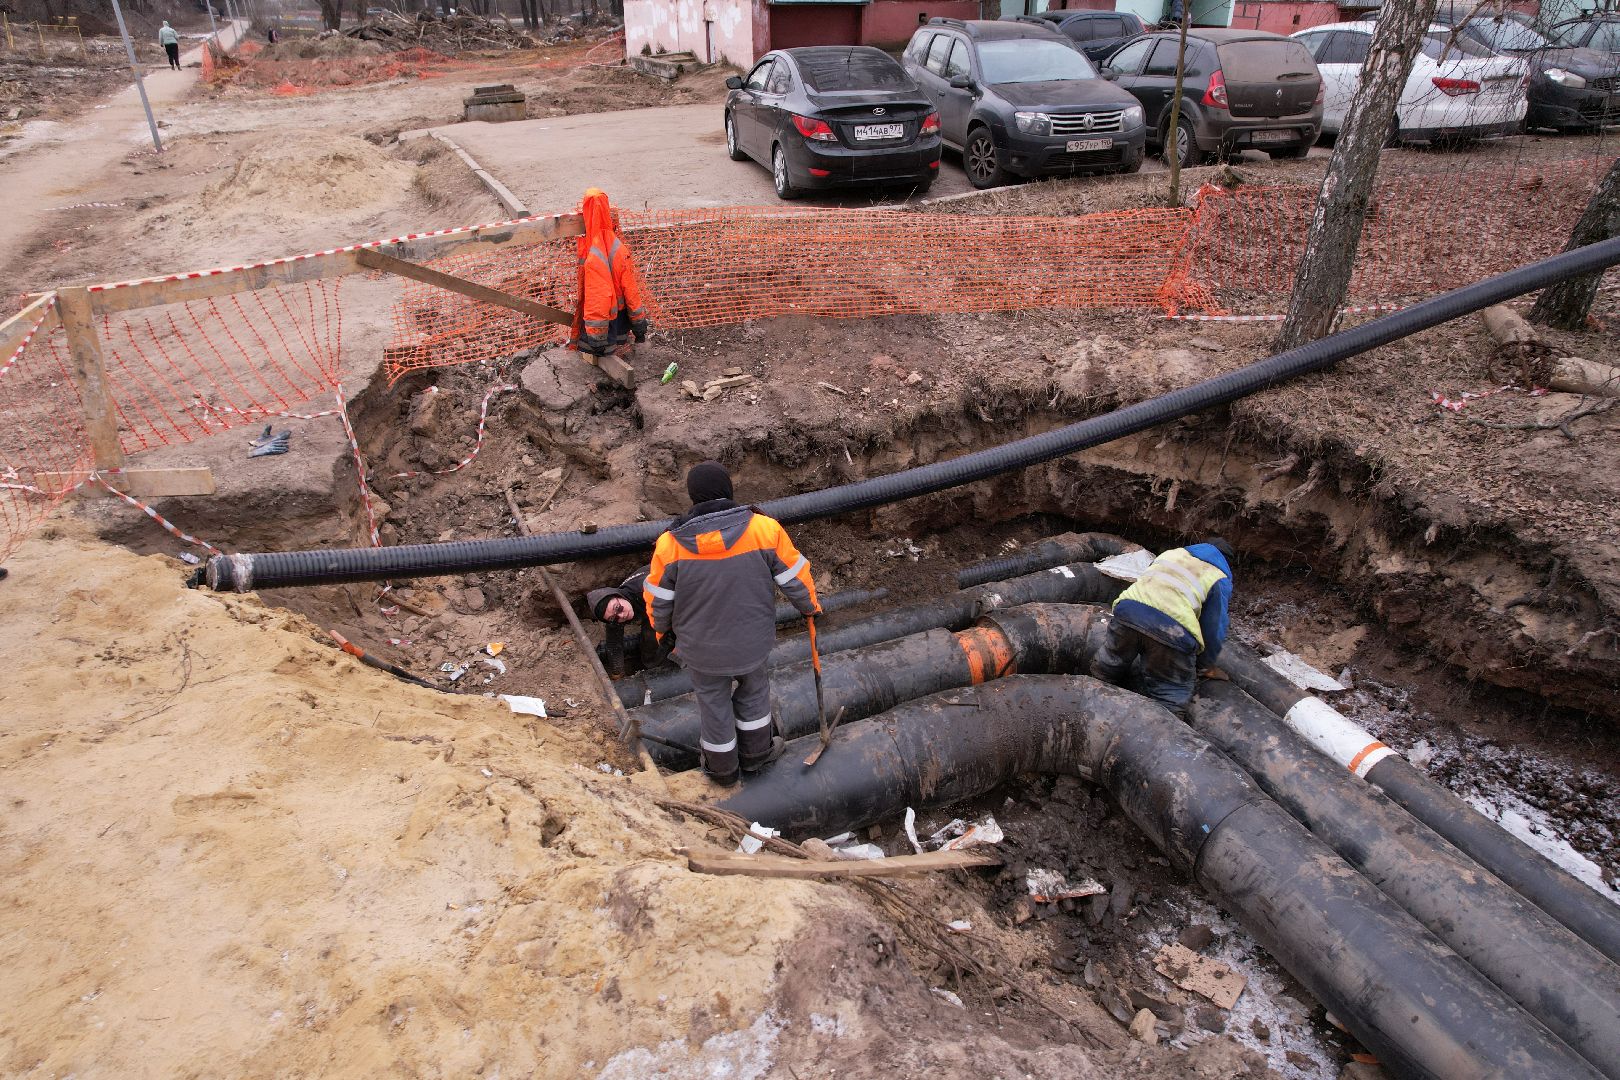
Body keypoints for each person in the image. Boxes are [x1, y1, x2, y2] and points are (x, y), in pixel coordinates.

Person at [643, 462, 819, 786]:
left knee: (713, 703)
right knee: (754, 693)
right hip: (752, 642)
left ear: (692, 497)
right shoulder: (763, 529)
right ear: (728, 490)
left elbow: (658, 601)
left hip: (701, 649)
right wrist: (810, 607)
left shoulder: (669, 544)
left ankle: (722, 770)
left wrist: (662, 631)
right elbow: (794, 577)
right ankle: (756, 755)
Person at [1091, 538, 1235, 714]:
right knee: (1171, 693)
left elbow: (1148, 584)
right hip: (1172, 631)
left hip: (1128, 611)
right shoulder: (1218, 577)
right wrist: (1204, 664)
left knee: (1109, 664)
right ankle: (1162, 734)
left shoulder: (1171, 554)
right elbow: (1214, 626)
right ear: (1226, 562)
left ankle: (1093, 705)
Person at [572, 188, 650, 358]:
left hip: (604, 325)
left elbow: (598, 297)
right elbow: (631, 289)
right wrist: (639, 327)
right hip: (620, 319)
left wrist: (596, 338)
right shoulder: (617, 247)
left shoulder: (594, 252)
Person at [586, 566, 658, 676]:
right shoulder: (616, 611)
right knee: (649, 640)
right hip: (655, 609)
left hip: (683, 594)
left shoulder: (646, 590)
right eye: (613, 618)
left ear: (617, 595)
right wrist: (618, 673)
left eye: (618, 608)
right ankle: (653, 670)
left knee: (658, 637)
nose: (622, 615)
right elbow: (614, 645)